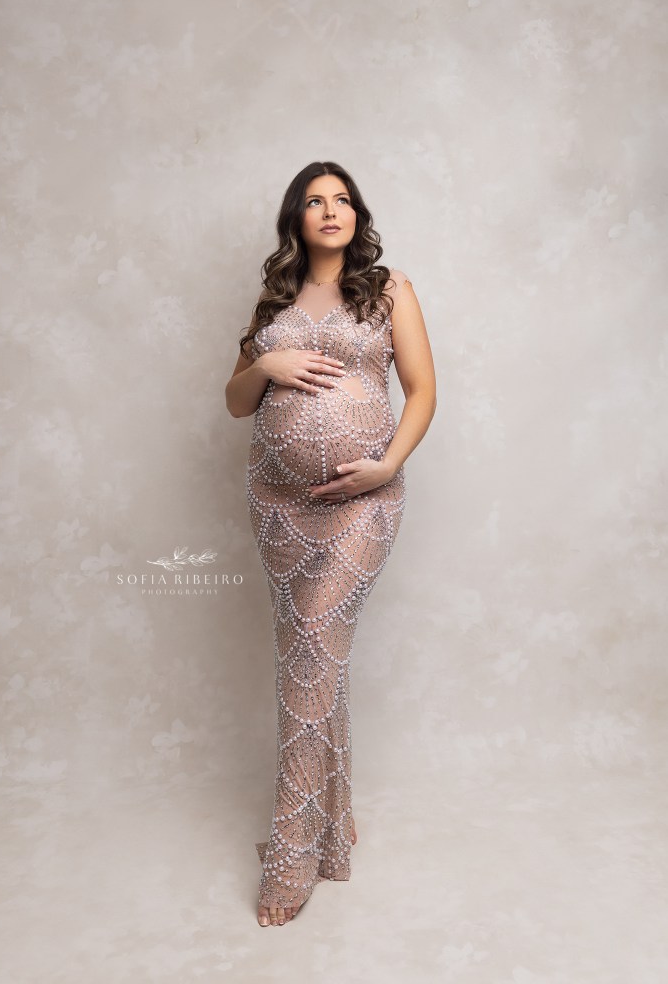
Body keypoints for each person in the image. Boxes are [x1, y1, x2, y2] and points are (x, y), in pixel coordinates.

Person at [225, 160, 436, 927]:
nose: (329, 210)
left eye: (341, 199)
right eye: (314, 201)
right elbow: (235, 401)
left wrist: (385, 462)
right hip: (277, 504)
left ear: (357, 214)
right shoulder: (275, 299)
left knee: (314, 648)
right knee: (307, 658)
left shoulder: (387, 290)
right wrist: (265, 361)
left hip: (362, 504)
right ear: (296, 218)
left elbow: (422, 389)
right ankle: (330, 831)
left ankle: (289, 853)